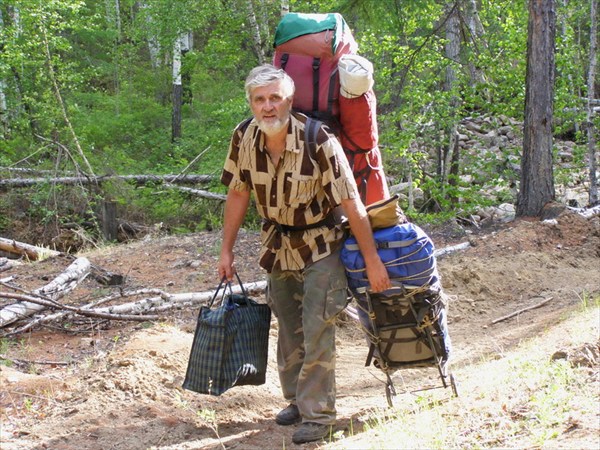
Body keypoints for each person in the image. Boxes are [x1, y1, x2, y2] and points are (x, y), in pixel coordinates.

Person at [217, 64, 391, 445]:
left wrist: (373, 259)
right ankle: (297, 399)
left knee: (317, 325)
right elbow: (238, 193)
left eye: (275, 98)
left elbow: (352, 202)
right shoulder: (244, 137)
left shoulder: (318, 139)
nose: (267, 107)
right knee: (288, 327)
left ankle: (319, 416)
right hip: (278, 246)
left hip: (321, 244)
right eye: (260, 100)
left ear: (290, 101)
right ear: (250, 103)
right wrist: (226, 250)